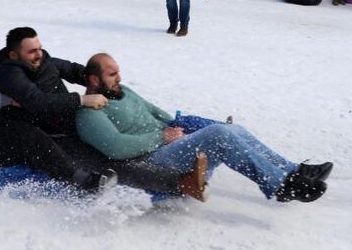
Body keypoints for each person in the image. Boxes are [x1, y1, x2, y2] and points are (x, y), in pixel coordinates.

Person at [76, 54, 332, 203]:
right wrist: (162, 136)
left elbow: (156, 112)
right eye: (112, 74)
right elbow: (117, 148)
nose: (119, 78)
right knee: (220, 135)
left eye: (118, 72)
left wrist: (180, 127)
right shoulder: (89, 114)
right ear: (94, 79)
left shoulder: (124, 91)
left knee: (234, 130)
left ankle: (293, 170)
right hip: (152, 161)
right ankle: (279, 186)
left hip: (171, 144)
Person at [0, 27, 205, 199]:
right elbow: (38, 102)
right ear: (13, 54)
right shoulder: (10, 74)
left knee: (108, 146)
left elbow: (73, 70)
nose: (39, 54)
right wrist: (83, 99)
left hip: (68, 124)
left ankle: (180, 162)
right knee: (107, 162)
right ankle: (181, 183)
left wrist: (99, 78)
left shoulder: (43, 60)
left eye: (39, 48)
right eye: (31, 51)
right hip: (48, 137)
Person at [0, 11, 115, 194]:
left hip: (8, 127)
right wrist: (5, 99)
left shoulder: (0, 57)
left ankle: (101, 166)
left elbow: (49, 66)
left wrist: (95, 78)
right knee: (27, 134)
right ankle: (81, 181)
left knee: (51, 134)